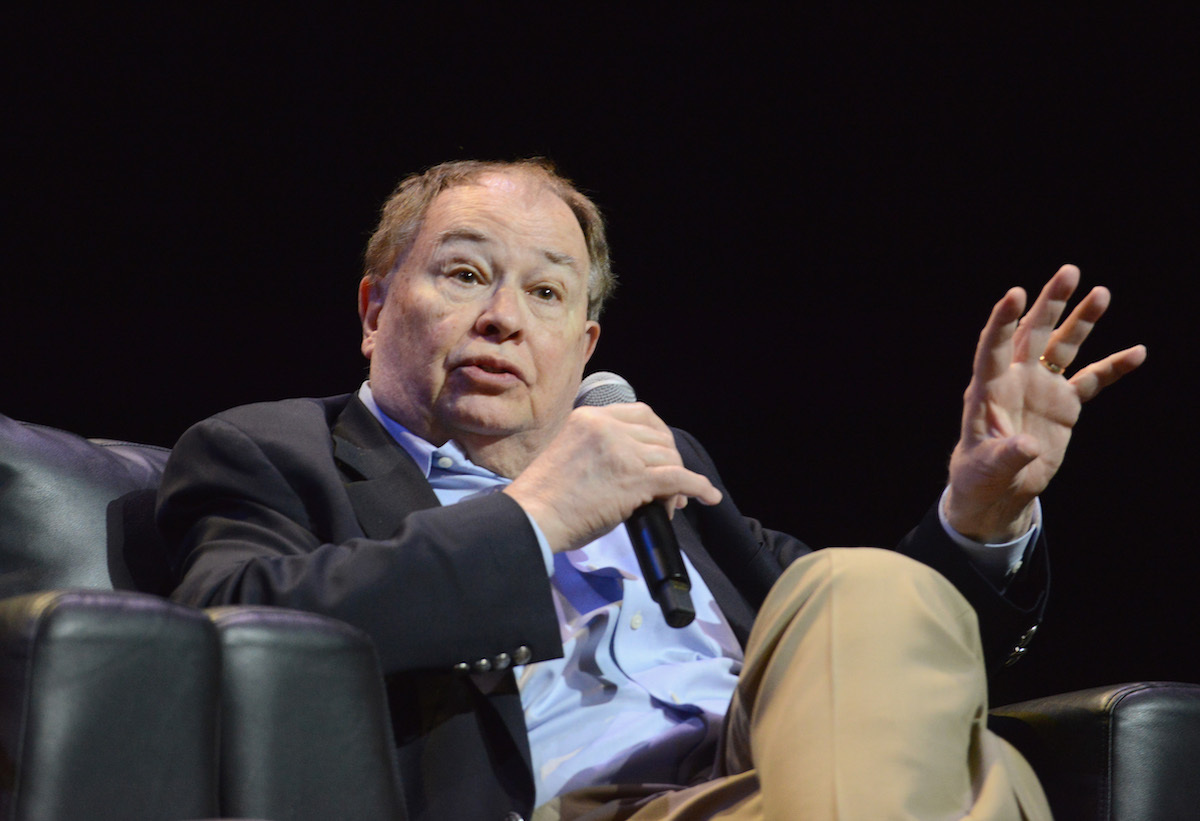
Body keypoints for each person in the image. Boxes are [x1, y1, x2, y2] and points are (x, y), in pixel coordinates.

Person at [158, 158, 1146, 821]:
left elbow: (873, 642)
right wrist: (537, 512)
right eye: (465, 274)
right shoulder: (272, 451)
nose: (504, 317)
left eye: (546, 292)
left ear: (584, 345)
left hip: (784, 781)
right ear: (375, 310)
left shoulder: (662, 467)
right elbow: (231, 626)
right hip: (590, 804)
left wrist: (979, 510)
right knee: (990, 786)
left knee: (860, 588)